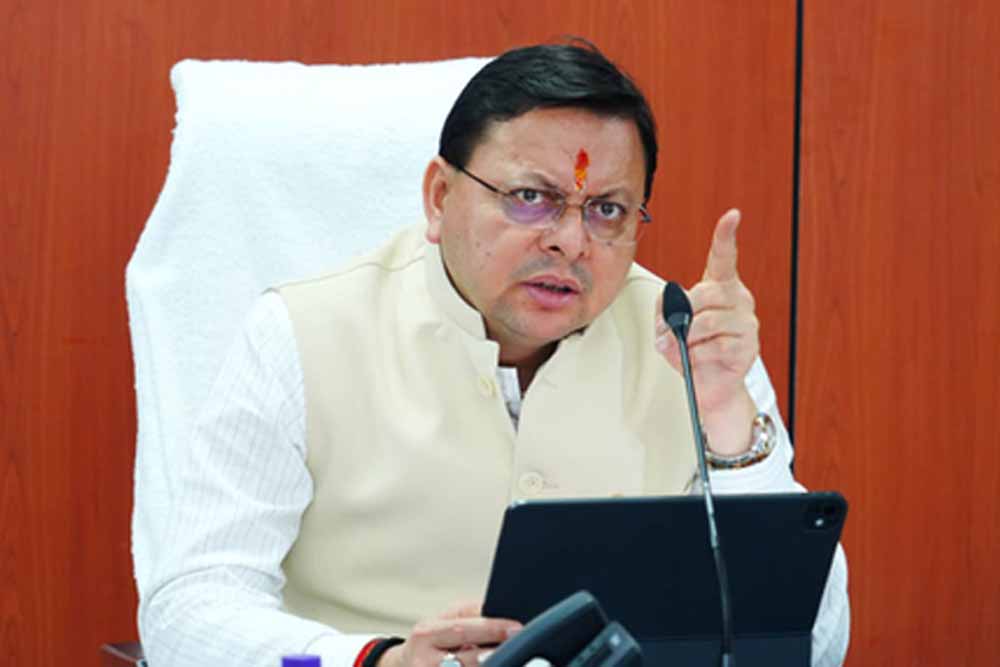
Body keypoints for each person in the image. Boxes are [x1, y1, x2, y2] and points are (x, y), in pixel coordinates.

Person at [139, 41, 849, 667]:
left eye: (606, 209)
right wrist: (375, 660)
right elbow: (187, 613)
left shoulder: (690, 344)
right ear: (439, 196)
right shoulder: (301, 334)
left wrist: (726, 418)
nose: (570, 241)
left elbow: (813, 644)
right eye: (531, 197)